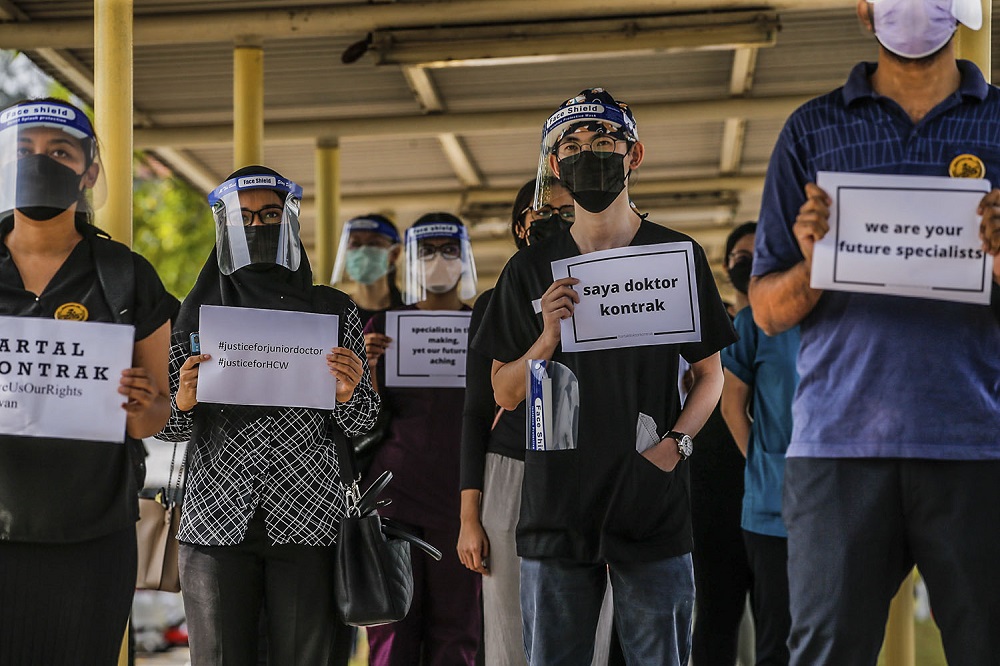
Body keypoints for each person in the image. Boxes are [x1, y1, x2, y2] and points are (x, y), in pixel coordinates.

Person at [749, 2, 1000, 663]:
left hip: (980, 448)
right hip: (837, 452)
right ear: (863, 8)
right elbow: (768, 310)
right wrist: (815, 263)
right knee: (825, 653)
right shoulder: (812, 129)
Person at [473, 88, 736, 666]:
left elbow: (710, 375)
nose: (587, 152)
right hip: (556, 506)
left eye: (604, 141)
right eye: (571, 144)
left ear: (633, 154)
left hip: (650, 502)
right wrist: (544, 340)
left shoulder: (677, 256)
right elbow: (503, 391)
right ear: (554, 164)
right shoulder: (527, 270)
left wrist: (676, 446)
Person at [157, 165, 378, 666]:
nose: (258, 227)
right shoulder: (196, 313)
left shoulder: (332, 309)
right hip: (215, 520)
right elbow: (166, 426)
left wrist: (348, 391)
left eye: (271, 215)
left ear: (291, 222)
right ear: (225, 227)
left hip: (307, 519)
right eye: (245, 217)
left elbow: (364, 421)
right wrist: (184, 400)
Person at [0, 98, 178, 664]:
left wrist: (140, 405)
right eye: (24, 151)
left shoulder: (125, 275)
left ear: (89, 171)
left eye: (59, 151)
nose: (40, 162)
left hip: (93, 537)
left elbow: (157, 415)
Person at [458, 179, 615, 666]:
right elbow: (479, 408)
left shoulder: (611, 292)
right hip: (513, 468)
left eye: (566, 213)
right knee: (509, 630)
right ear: (520, 225)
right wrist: (469, 518)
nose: (551, 223)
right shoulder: (494, 303)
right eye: (539, 213)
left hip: (591, 468)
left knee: (589, 627)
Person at [363, 213, 483, 666]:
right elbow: (363, 418)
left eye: (449, 251)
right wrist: (370, 370)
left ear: (464, 257)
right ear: (410, 261)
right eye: (427, 252)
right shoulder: (383, 328)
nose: (438, 261)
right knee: (392, 629)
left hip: (462, 500)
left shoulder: (482, 329)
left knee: (458, 631)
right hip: (394, 498)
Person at [719, 221, 799, 666]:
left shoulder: (842, 313)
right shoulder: (754, 322)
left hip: (841, 506)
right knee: (777, 640)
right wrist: (762, 464)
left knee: (841, 635)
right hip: (772, 510)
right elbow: (733, 405)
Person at [331, 213, 404, 325]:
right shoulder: (336, 313)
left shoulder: (408, 311)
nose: (363, 251)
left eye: (373, 243)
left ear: (395, 253)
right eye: (355, 243)